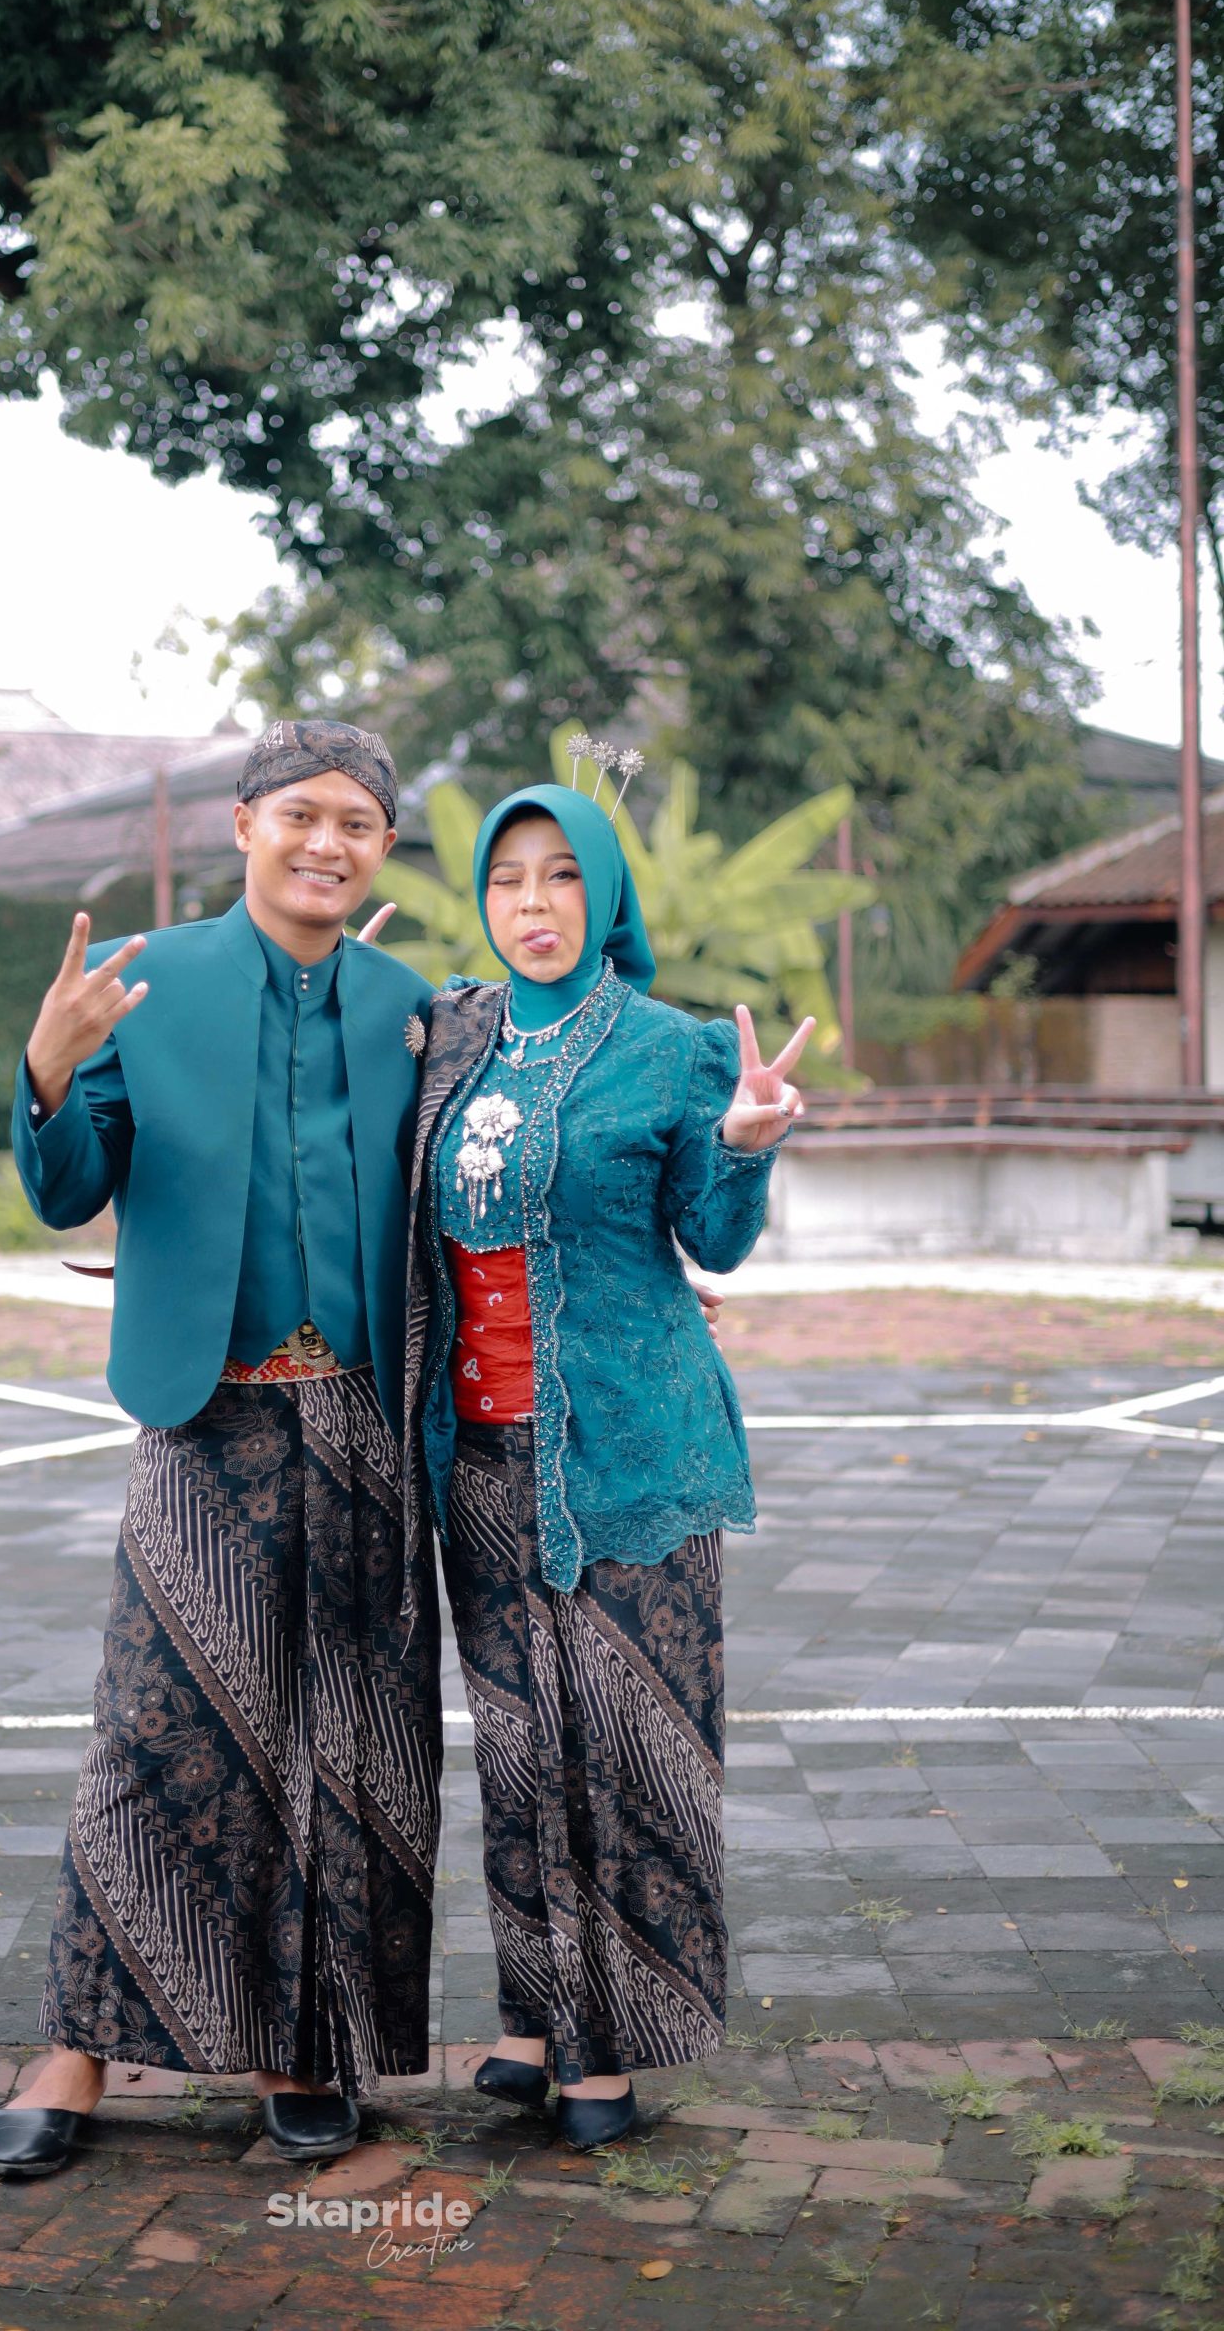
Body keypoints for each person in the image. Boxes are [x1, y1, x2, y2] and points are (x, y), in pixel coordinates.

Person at [0, 721, 440, 2180]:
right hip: (205, 1416)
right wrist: (48, 1073)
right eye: (300, 814)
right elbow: (72, 1188)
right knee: (152, 1730)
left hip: (366, 1425)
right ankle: (77, 2046)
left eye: (356, 822)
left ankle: (305, 2047)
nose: (326, 843)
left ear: (382, 846)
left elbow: (478, 1186)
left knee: (345, 1742)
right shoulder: (147, 980)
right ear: (244, 825)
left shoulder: (412, 1007)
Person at [403, 775, 808, 2149]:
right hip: (479, 1460)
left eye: (562, 875)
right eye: (508, 878)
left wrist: (742, 1142)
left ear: (607, 890)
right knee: (520, 1749)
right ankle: (533, 2019)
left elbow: (714, 1237)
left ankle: (611, 2050)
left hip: (631, 1456)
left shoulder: (670, 1049)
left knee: (624, 1748)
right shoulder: (451, 1040)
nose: (534, 904)